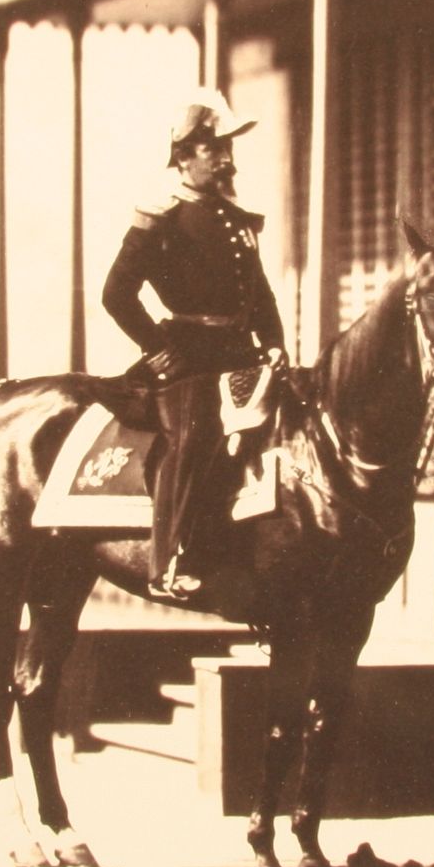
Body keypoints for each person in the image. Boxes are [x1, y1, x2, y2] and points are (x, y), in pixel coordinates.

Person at [102, 87, 288, 600]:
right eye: (213, 149)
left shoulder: (236, 217)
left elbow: (261, 290)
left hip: (241, 355)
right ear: (184, 156)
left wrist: (273, 341)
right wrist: (160, 349)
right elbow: (115, 294)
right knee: (194, 435)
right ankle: (169, 562)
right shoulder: (161, 216)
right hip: (188, 358)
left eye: (228, 148)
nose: (226, 158)